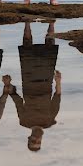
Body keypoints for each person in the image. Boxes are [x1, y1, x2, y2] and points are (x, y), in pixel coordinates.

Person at [10, 21, 62, 151]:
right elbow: (57, 99)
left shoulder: (24, 122)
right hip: (46, 80)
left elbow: (18, 102)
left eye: (34, 141)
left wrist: (9, 87)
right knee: (49, 49)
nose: (37, 139)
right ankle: (51, 22)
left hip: (28, 80)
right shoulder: (49, 122)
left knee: (27, 49)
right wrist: (58, 81)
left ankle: (27, 23)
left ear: (29, 138)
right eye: (38, 142)